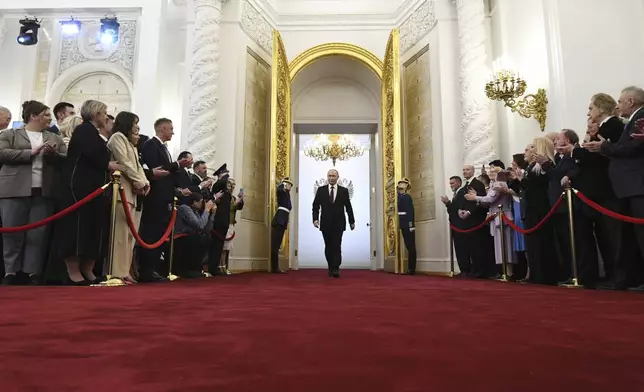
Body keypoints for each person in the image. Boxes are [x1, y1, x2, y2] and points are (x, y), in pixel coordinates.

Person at [56, 100, 122, 285]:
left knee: (92, 229)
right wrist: (108, 164)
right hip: (78, 187)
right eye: (103, 113)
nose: (106, 117)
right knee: (77, 229)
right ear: (95, 114)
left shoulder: (94, 133)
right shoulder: (84, 130)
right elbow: (91, 154)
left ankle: (88, 269)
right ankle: (73, 271)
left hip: (93, 188)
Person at [0, 100, 66, 285]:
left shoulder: (55, 138)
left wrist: (54, 155)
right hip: (13, 189)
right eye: (46, 114)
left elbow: (66, 158)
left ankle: (32, 272)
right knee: (12, 232)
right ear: (33, 116)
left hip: (44, 191)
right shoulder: (9, 134)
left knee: (37, 234)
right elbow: (2, 153)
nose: (50, 118)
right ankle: (10, 271)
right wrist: (31, 152)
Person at [106, 111, 149, 283]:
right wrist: (140, 182)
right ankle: (117, 271)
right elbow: (124, 163)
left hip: (132, 193)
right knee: (120, 236)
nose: (137, 127)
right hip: (121, 192)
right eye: (135, 123)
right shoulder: (117, 138)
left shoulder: (132, 144)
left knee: (130, 236)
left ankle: (125, 270)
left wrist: (145, 182)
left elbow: (137, 167)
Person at [312, 169, 355, 278]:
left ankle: (336, 267)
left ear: (337, 177)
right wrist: (315, 219)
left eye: (333, 176)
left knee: (337, 245)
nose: (331, 178)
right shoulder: (321, 190)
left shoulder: (344, 191)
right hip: (325, 223)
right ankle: (330, 267)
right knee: (328, 246)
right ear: (327, 177)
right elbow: (315, 206)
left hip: (339, 223)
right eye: (329, 176)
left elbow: (348, 207)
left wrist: (352, 221)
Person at [270, 178, 293, 274]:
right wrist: (282, 184)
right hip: (279, 220)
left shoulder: (287, 194)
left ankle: (276, 267)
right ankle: (274, 268)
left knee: (277, 244)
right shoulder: (281, 191)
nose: (290, 187)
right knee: (275, 245)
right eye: (288, 185)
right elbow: (278, 190)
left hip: (283, 221)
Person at [397, 178, 417, 275]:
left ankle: (411, 269)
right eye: (400, 183)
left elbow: (410, 212)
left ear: (407, 186)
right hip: (401, 223)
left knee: (411, 247)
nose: (401, 184)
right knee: (408, 245)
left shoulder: (407, 197)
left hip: (407, 224)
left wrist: (411, 225)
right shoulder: (399, 196)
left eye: (403, 183)